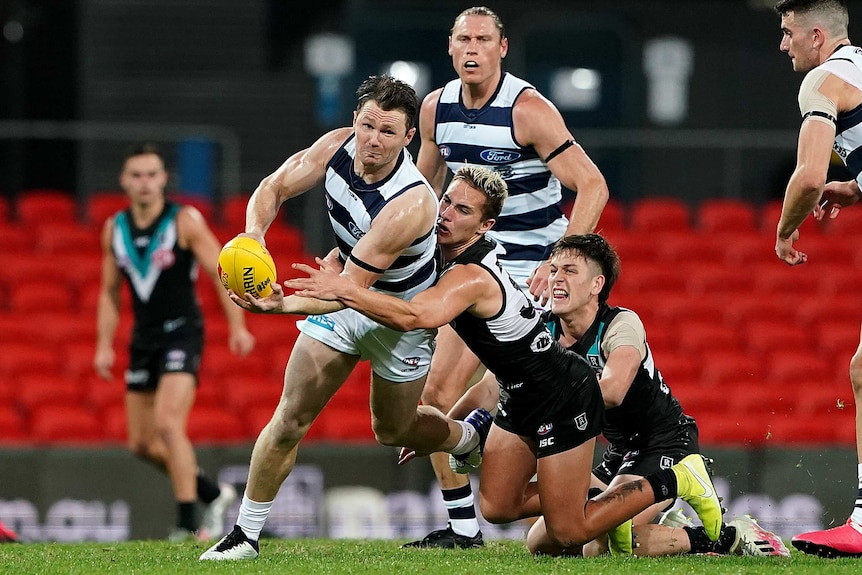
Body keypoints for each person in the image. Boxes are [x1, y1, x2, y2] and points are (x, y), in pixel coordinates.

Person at [285, 165, 723, 556]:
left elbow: (417, 316)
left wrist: (345, 289)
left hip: (564, 399)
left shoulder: (475, 276)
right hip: (519, 398)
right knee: (497, 508)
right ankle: (600, 499)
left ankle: (675, 482)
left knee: (572, 533)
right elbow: (494, 380)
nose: (446, 214)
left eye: (462, 211)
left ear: (484, 226)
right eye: (445, 202)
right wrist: (442, 425)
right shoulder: (441, 253)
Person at [199, 76, 492, 561]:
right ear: (354, 119)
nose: (373, 140)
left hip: (397, 319)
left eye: (388, 132)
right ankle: (244, 536)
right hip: (345, 297)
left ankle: (466, 436)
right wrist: (253, 237)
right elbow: (273, 187)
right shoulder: (336, 146)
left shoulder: (410, 203)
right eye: (367, 125)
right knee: (291, 417)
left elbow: (349, 291)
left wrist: (278, 305)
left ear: (407, 139)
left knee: (392, 431)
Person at [408, 5, 610, 548]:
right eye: (462, 39)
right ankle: (463, 527)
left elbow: (592, 186)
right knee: (437, 389)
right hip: (474, 267)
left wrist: (559, 261)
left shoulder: (528, 111)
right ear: (450, 48)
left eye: (483, 39)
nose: (471, 48)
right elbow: (421, 193)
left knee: (515, 395)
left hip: (533, 275)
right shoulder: (434, 109)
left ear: (502, 48)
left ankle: (624, 497)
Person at [539, 234, 788, 557]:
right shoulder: (545, 331)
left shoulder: (620, 325)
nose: (556, 278)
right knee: (546, 542)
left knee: (597, 547)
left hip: (666, 442)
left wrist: (545, 402)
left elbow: (612, 392)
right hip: (620, 451)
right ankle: (671, 522)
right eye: (554, 269)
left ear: (596, 284)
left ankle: (728, 536)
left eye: (569, 271)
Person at [93, 143, 254, 540]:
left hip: (183, 331)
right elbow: (110, 292)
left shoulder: (184, 221)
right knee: (141, 443)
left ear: (164, 179)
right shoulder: (114, 228)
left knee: (168, 423)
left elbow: (222, 270)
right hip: (143, 338)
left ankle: (186, 523)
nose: (144, 183)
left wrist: (238, 325)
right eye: (137, 175)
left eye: (152, 174)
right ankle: (213, 493)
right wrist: (103, 344)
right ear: (124, 182)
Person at [773, 0, 862, 558]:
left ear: (815, 35)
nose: (783, 46)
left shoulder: (822, 83)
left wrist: (785, 230)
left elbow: (807, 177)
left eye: (786, 34)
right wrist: (853, 188)